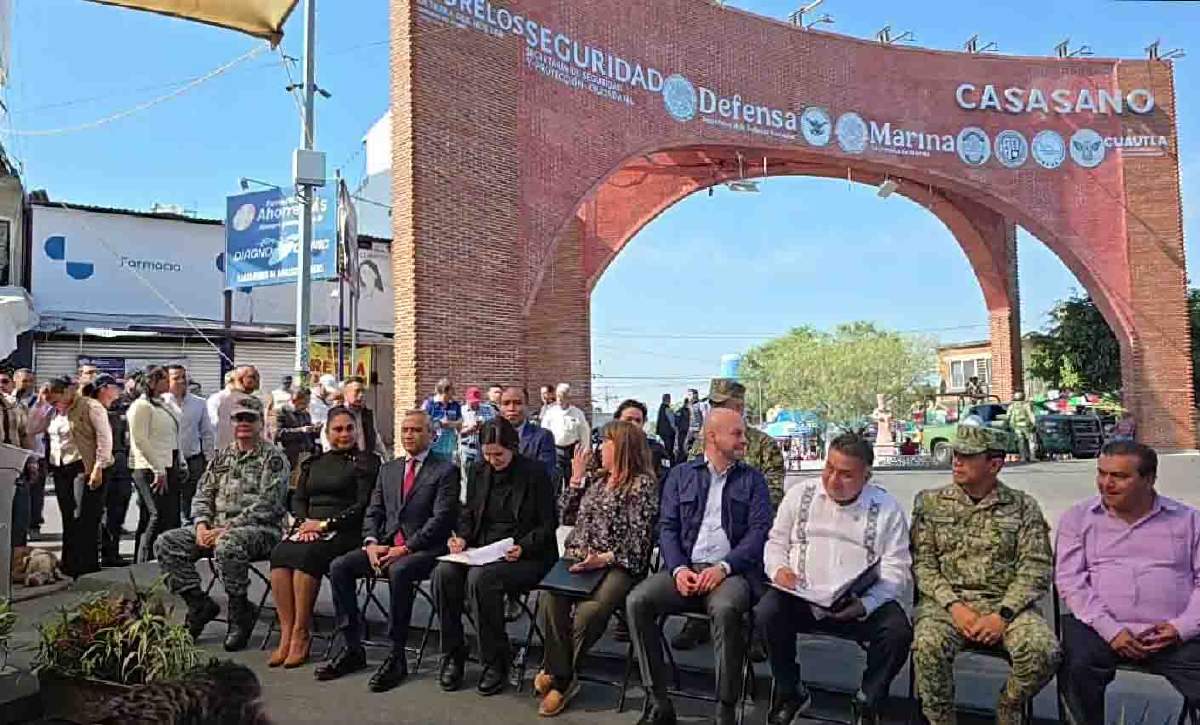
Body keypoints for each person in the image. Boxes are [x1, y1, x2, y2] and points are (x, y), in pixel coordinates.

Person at [626, 408, 773, 725]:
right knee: (638, 600)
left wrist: (724, 567)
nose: (744, 440)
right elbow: (667, 528)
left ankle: (725, 708)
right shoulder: (681, 475)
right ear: (712, 436)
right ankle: (657, 701)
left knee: (726, 609)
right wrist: (679, 569)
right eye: (737, 433)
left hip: (731, 573)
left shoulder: (753, 480)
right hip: (686, 568)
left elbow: (759, 533)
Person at [757, 433, 913, 725]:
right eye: (829, 468)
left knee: (897, 632)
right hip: (801, 596)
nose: (833, 480)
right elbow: (776, 542)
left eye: (845, 474)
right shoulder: (800, 494)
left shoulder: (886, 508)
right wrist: (779, 570)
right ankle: (789, 689)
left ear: (866, 476)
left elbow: (897, 568)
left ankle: (868, 699)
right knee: (767, 612)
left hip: (856, 602)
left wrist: (866, 604)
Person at [910, 425, 1060, 725]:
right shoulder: (930, 502)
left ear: (994, 464)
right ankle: (940, 720)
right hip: (947, 605)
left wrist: (1002, 615)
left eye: (967, 457)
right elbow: (923, 565)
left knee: (1043, 651)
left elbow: (1036, 568)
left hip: (1007, 606)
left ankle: (1008, 706)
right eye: (956, 454)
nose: (956, 461)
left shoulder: (1022, 506)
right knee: (927, 646)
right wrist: (955, 607)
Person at [1056, 441, 1200, 723]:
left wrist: (1181, 628)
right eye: (1102, 473)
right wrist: (1111, 630)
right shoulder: (1079, 518)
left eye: (1119, 476)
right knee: (1076, 666)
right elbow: (1071, 582)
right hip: (1099, 628)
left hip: (1172, 633)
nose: (1106, 484)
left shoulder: (1189, 521)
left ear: (1149, 479)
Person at [317, 410, 460, 691]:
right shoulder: (389, 469)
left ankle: (396, 655)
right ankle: (351, 647)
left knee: (400, 570)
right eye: (405, 430)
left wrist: (406, 548)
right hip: (385, 545)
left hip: (424, 549)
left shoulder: (445, 470)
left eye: (416, 430)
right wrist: (371, 543)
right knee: (340, 566)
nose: (409, 435)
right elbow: (374, 511)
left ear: (432, 435)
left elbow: (441, 519)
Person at [533, 420, 660, 716]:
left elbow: (639, 541)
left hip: (618, 563)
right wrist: (576, 479)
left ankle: (559, 680)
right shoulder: (596, 480)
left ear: (622, 448)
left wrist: (602, 558)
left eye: (605, 442)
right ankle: (563, 674)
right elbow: (564, 515)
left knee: (589, 613)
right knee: (549, 598)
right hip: (579, 558)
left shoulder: (642, 485)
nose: (600, 448)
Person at [431, 417, 557, 696]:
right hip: (483, 550)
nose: (493, 460)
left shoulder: (534, 473)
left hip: (525, 554)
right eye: (487, 454)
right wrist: (462, 538)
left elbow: (548, 524)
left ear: (512, 447)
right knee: (443, 573)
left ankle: (495, 659)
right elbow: (468, 514)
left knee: (481, 579)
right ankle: (453, 652)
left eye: (498, 454)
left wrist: (523, 546)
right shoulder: (478, 470)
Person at [155, 399, 290, 651]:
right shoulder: (223, 456)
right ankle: (199, 604)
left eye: (250, 418)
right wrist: (201, 525)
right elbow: (203, 493)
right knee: (167, 542)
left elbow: (269, 504)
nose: (243, 423)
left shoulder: (273, 458)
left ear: (260, 422)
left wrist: (226, 529)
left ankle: (240, 611)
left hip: (261, 530)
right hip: (216, 528)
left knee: (228, 544)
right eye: (238, 418)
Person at [268, 406, 381, 669]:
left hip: (345, 530)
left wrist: (323, 525)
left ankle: (301, 633)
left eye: (349, 428)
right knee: (280, 554)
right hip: (309, 528)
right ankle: (286, 633)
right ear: (327, 433)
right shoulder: (313, 462)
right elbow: (298, 498)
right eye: (338, 429)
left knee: (308, 556)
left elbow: (363, 505)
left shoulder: (368, 462)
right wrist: (302, 524)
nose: (344, 434)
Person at [678, 378, 785, 652]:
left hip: (749, 530)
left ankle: (755, 629)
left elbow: (773, 494)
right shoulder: (702, 443)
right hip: (708, 531)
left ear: (738, 406)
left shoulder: (763, 445)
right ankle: (698, 620)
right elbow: (690, 487)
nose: (714, 409)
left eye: (721, 404)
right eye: (713, 405)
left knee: (757, 551)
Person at [43, 375, 113, 577]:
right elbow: (32, 428)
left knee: (84, 516)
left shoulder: (90, 406)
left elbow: (104, 437)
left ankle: (87, 566)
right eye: (51, 402)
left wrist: (99, 466)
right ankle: (70, 564)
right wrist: (41, 405)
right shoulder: (53, 411)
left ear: (67, 391)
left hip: (84, 466)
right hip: (60, 467)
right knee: (68, 517)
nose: (55, 405)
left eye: (56, 400)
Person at [128, 366, 182, 563]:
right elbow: (140, 439)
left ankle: (163, 558)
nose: (168, 383)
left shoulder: (163, 404)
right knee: (155, 515)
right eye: (164, 379)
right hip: (150, 467)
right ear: (153, 382)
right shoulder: (141, 406)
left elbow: (173, 435)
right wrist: (158, 469)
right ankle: (144, 560)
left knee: (168, 516)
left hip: (168, 464)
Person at [164, 365, 215, 527]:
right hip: (168, 460)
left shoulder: (199, 403)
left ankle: (190, 531)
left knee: (192, 500)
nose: (181, 381)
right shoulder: (160, 402)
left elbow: (207, 432)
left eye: (183, 377)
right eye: (176, 378)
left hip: (193, 459)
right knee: (170, 502)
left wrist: (210, 459)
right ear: (167, 381)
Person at [90, 374, 132, 567]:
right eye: (114, 387)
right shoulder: (91, 408)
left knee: (118, 509)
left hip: (121, 460)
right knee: (97, 510)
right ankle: (95, 552)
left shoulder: (121, 408)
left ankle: (111, 552)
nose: (118, 391)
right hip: (101, 462)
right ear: (104, 388)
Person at [498, 385, 556, 479]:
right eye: (506, 403)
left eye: (518, 403)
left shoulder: (542, 437)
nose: (511, 408)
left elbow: (546, 474)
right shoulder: (490, 436)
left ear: (526, 406)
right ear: (499, 407)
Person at [540, 383, 590, 490]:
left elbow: (584, 432)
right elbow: (544, 431)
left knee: (570, 477)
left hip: (572, 450)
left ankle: (570, 496)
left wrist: (585, 449)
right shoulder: (550, 413)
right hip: (555, 449)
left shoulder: (577, 413)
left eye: (563, 396)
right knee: (556, 477)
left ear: (568, 397)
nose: (560, 399)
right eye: (558, 396)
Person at [326, 377, 389, 460]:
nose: (361, 395)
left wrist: (386, 459)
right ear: (346, 394)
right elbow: (327, 441)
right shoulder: (336, 414)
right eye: (357, 391)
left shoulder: (367, 414)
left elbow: (376, 439)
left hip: (365, 460)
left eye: (363, 391)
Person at [614, 398, 672, 483]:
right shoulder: (607, 449)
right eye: (628, 419)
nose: (633, 424)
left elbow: (664, 480)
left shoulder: (656, 450)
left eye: (638, 421)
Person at [275, 387, 319, 471]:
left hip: (307, 455)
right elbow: (278, 434)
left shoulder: (305, 414)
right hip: (291, 456)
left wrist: (315, 430)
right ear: (294, 400)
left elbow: (310, 435)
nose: (306, 406)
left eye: (308, 402)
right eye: (304, 403)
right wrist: (300, 430)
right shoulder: (282, 412)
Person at [422, 377, 462, 460]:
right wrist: (439, 424)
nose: (454, 392)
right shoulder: (429, 404)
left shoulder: (455, 405)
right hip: (432, 448)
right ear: (445, 391)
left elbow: (460, 423)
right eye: (452, 390)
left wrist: (450, 424)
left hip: (449, 448)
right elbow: (422, 423)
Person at [458, 385, 495, 474]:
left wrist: (484, 426)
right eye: (472, 402)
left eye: (476, 402)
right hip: (467, 448)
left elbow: (495, 426)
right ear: (467, 400)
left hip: (484, 449)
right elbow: (457, 432)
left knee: (483, 475)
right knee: (467, 476)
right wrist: (469, 429)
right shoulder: (461, 411)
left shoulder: (488, 409)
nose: (474, 404)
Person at [1006, 391, 1037, 462]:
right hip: (1027, 426)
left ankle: (1023, 457)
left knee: (1021, 442)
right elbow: (1031, 415)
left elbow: (1008, 417)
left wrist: (1007, 425)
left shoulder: (1012, 406)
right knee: (1031, 441)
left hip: (1016, 427)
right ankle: (1032, 457)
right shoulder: (1026, 405)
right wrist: (1034, 424)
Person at [655, 393, 676, 463]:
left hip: (661, 433)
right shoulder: (667, 409)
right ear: (668, 399)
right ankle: (670, 463)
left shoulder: (661, 409)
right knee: (669, 450)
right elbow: (672, 422)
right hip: (668, 433)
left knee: (665, 449)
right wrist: (675, 430)